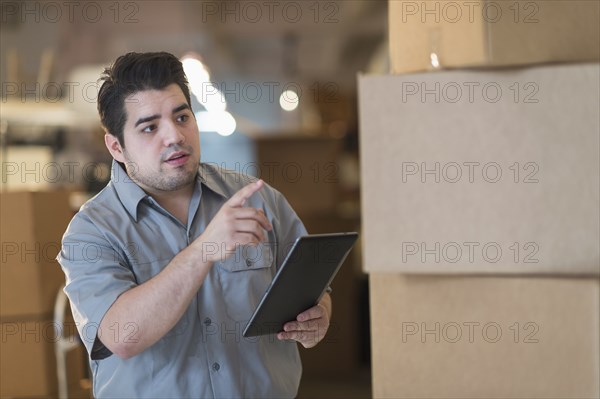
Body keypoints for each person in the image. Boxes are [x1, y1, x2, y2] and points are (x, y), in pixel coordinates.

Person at [57, 51, 332, 398]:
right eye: (150, 127)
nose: (174, 136)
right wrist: (205, 248)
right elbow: (122, 337)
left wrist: (318, 317)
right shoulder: (91, 231)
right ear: (116, 146)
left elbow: (316, 290)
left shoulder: (260, 199)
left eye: (182, 116)